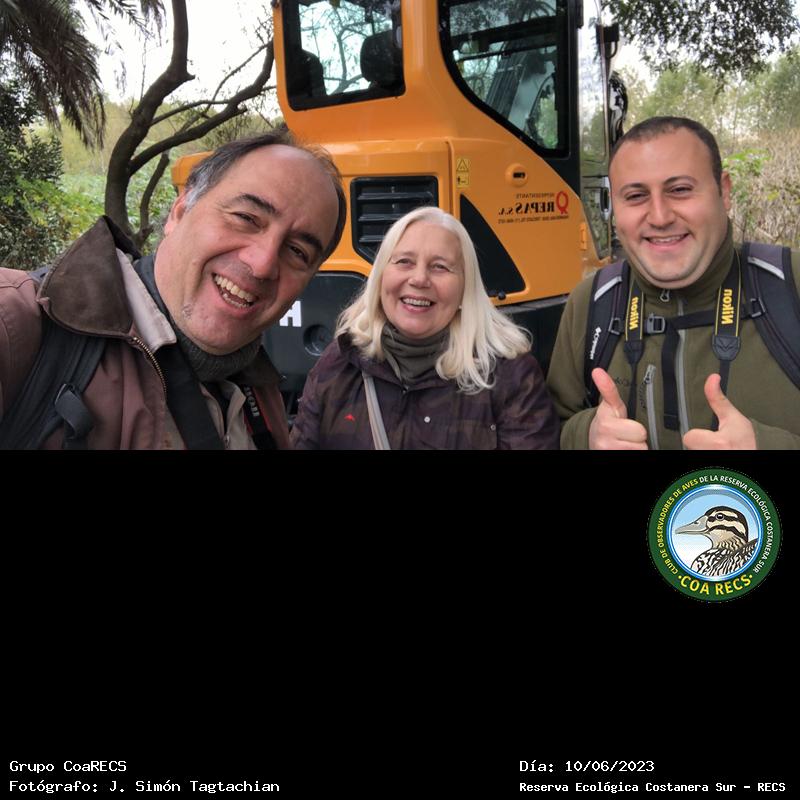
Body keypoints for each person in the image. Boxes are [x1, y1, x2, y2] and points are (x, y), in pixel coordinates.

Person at [0, 128, 347, 449]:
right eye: (245, 218)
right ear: (180, 211)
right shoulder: (16, 325)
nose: (262, 264)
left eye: (297, 251)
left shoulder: (262, 395)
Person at [546, 116, 800, 450]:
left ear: (724, 191)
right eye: (635, 195)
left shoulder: (791, 285)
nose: (660, 217)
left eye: (680, 190)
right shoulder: (591, 303)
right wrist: (587, 436)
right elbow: (552, 427)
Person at [290, 206, 559, 449]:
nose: (419, 279)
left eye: (440, 267)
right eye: (404, 261)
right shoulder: (339, 363)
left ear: (465, 286)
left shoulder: (511, 377)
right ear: (381, 276)